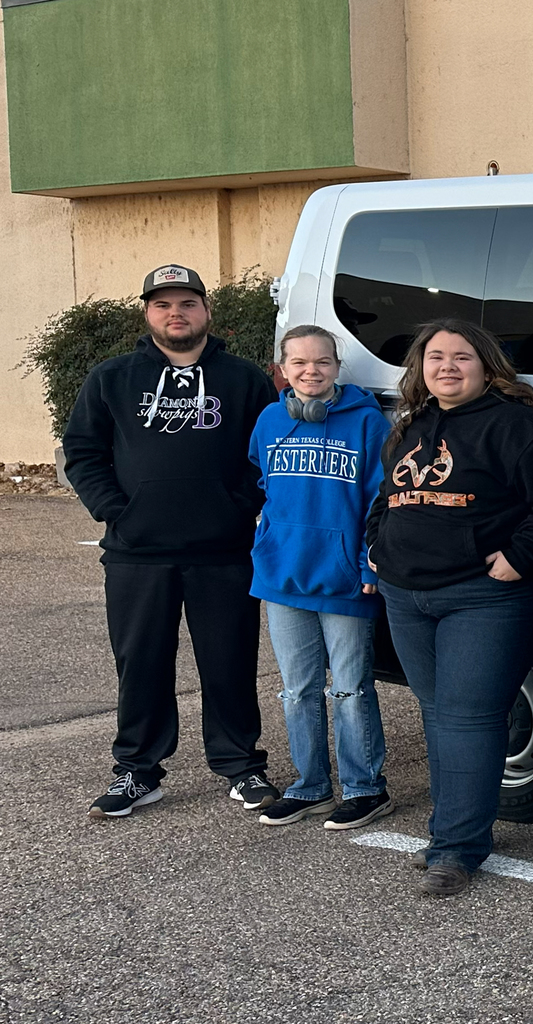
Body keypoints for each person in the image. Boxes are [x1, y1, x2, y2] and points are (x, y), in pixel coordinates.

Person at [63, 264, 279, 818]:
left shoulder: (242, 379)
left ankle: (241, 767)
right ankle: (138, 771)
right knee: (142, 664)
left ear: (206, 311)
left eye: (186, 303)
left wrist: (240, 508)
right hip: (137, 553)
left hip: (222, 552)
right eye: (163, 305)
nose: (175, 313)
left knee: (229, 662)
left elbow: (269, 452)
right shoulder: (111, 378)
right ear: (147, 314)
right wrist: (115, 511)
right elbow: (83, 453)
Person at [367, 317, 533, 896]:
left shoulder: (520, 429)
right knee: (438, 713)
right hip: (407, 596)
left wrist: (522, 556)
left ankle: (457, 848)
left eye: (461, 357)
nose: (447, 367)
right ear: (420, 368)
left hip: (484, 596)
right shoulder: (411, 426)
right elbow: (388, 495)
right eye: (435, 357)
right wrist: (376, 545)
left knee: (468, 717)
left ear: (487, 367)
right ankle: (448, 834)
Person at [248, 325, 394, 831]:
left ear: (336, 366)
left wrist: (364, 563)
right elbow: (260, 483)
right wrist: (268, 538)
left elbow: (380, 500)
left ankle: (364, 788)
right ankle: (309, 786)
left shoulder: (368, 424)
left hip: (345, 578)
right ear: (283, 370)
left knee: (350, 689)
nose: (311, 371)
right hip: (281, 575)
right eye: (300, 363)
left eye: (322, 362)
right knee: (296, 690)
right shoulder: (269, 420)